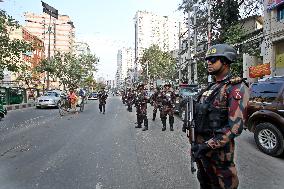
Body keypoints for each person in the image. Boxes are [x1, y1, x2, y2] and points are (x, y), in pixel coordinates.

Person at [186, 44, 249, 189]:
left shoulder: (235, 87)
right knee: (205, 183)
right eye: (207, 59)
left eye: (213, 59)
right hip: (201, 150)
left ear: (225, 61)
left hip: (219, 155)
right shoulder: (210, 88)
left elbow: (234, 128)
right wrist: (195, 142)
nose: (208, 62)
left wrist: (206, 146)